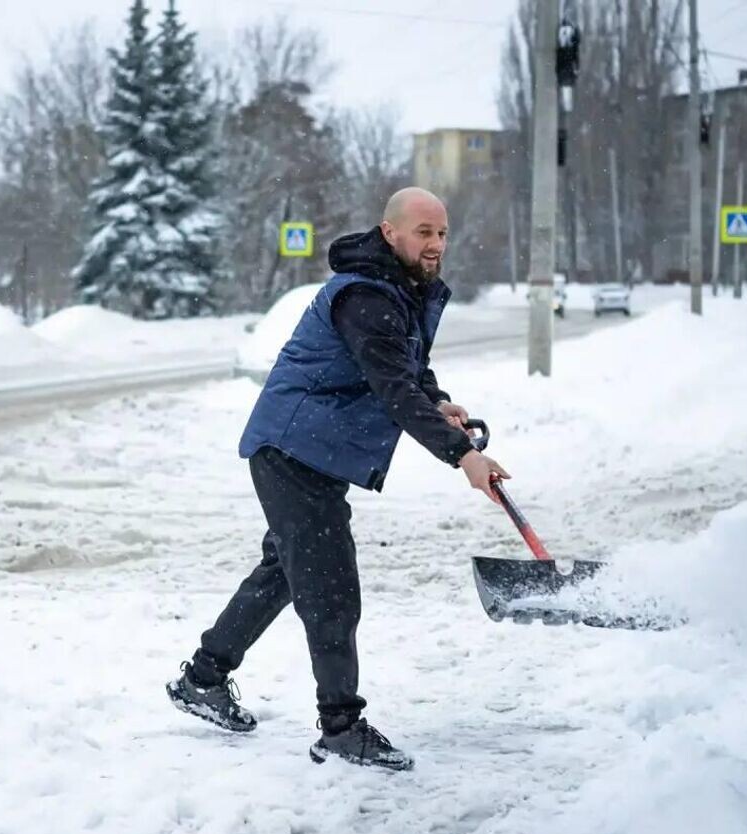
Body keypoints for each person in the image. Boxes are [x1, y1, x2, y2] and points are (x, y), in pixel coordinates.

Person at [166, 187, 510, 771]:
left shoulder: (397, 288)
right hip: (293, 450)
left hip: (311, 452)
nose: (435, 244)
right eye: (423, 232)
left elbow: (408, 371)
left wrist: (442, 403)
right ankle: (341, 727)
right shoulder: (366, 297)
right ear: (390, 233)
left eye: (442, 233)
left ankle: (204, 678)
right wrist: (461, 455)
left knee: (285, 572)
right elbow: (393, 389)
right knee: (329, 589)